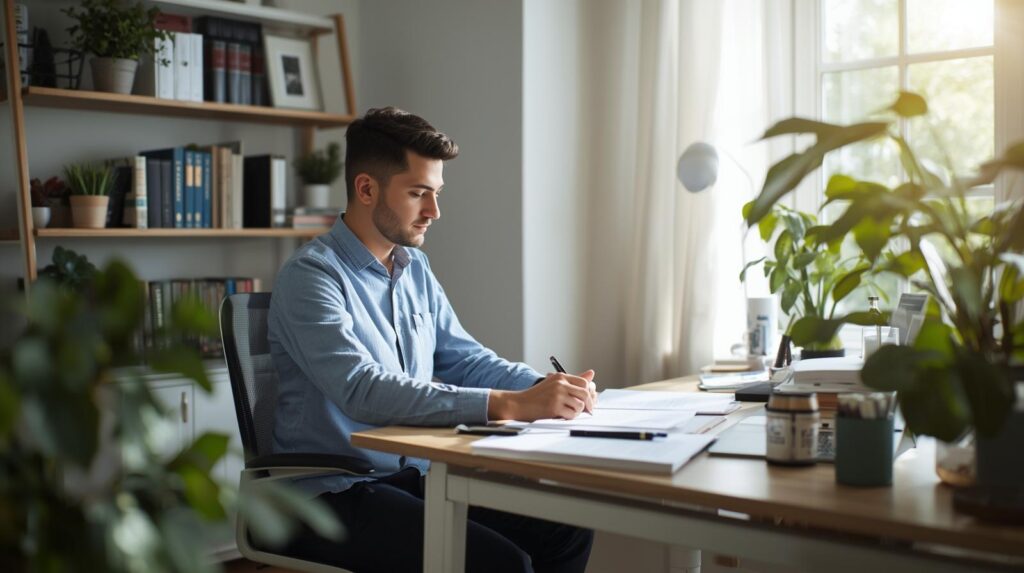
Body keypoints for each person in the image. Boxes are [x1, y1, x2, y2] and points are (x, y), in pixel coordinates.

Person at [268, 106, 596, 572]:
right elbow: (361, 388)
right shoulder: (312, 276)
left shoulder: (414, 268)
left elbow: (465, 359)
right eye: (418, 193)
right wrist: (508, 404)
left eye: (436, 194)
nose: (434, 212)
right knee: (499, 563)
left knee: (566, 527)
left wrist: (546, 388)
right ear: (366, 188)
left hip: (415, 476)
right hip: (331, 492)